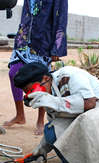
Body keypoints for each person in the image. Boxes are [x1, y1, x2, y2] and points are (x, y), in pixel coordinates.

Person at [4, 0, 68, 135]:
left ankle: (40, 120)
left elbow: (61, 18)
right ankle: (20, 115)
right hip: (24, 37)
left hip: (43, 40)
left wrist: (57, 47)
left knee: (41, 81)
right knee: (14, 73)